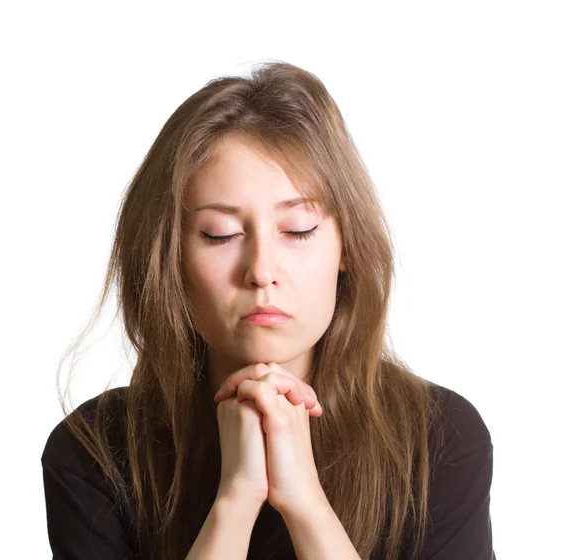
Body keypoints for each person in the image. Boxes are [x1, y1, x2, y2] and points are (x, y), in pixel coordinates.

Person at [41, 61, 495, 559]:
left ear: (346, 247)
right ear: (170, 256)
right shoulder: (93, 452)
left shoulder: (440, 440)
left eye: (298, 229)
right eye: (221, 234)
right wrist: (235, 501)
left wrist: (306, 504)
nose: (261, 270)